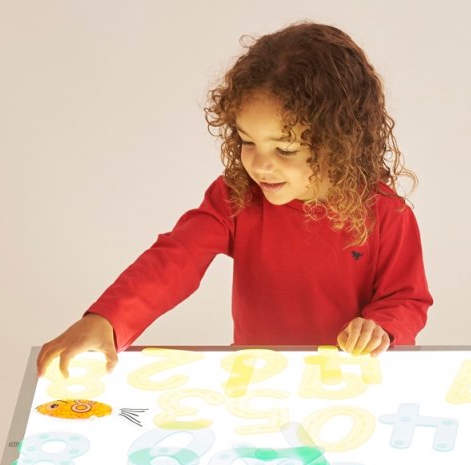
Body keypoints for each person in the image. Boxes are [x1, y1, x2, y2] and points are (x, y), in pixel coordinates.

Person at [37, 21, 433, 379]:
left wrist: (380, 327)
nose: (260, 164)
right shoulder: (237, 196)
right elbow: (176, 258)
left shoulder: (386, 212)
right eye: (247, 141)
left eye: (285, 149)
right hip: (260, 379)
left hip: (354, 381)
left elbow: (406, 298)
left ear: (341, 141)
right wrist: (107, 320)